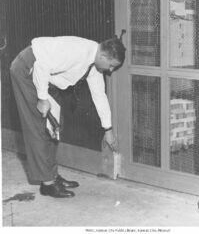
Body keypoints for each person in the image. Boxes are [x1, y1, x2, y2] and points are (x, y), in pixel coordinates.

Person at [10, 35, 126, 198]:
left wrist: (108, 130)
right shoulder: (77, 52)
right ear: (103, 56)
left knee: (55, 125)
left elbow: (99, 96)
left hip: (44, 76)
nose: (111, 70)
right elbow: (42, 64)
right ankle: (47, 184)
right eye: (112, 65)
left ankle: (52, 175)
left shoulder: (94, 64)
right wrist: (42, 99)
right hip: (27, 69)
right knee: (40, 127)